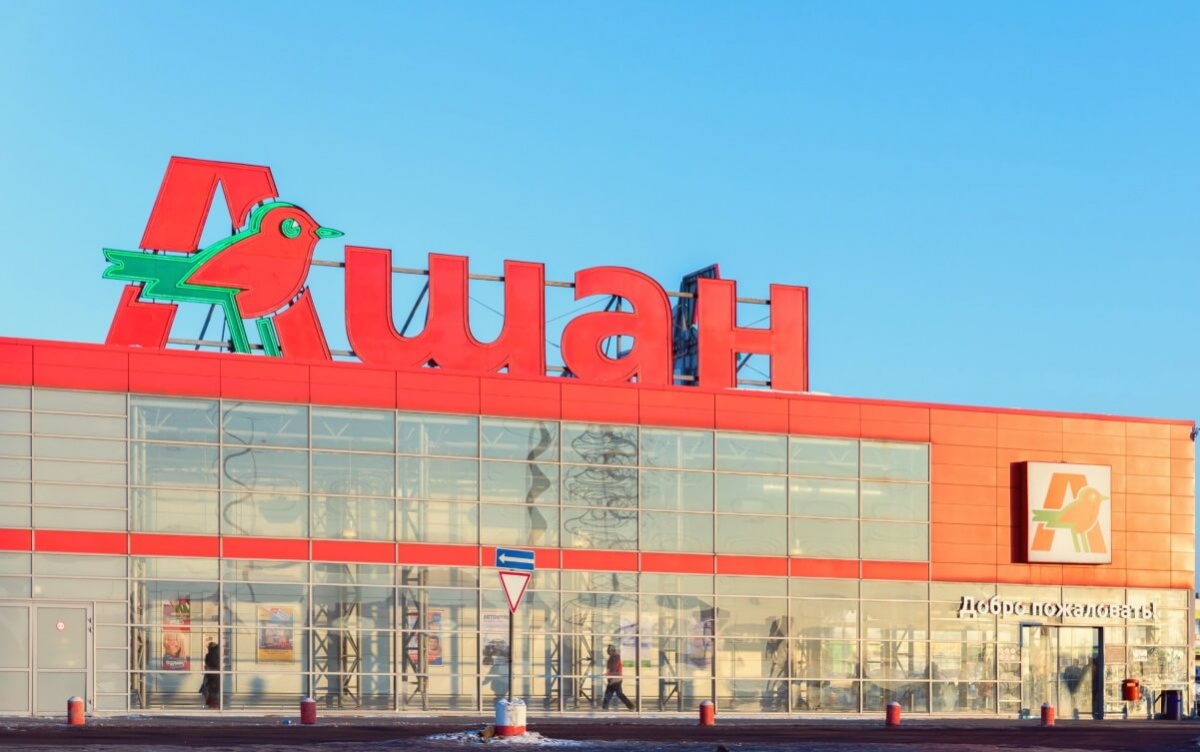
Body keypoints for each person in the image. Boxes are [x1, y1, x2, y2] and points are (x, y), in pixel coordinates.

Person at [602, 644, 634, 710]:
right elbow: (611, 668)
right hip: (613, 678)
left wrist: (610, 676)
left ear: (612, 650)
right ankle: (605, 706)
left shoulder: (615, 657)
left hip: (615, 678)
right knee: (609, 693)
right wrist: (608, 674)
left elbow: (613, 667)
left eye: (608, 650)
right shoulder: (612, 657)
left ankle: (631, 706)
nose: (607, 651)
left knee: (617, 693)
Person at [201, 641, 220, 709]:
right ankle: (214, 704)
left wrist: (208, 667)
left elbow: (213, 663)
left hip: (212, 674)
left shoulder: (210, 654)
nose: (208, 648)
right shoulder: (218, 653)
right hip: (216, 674)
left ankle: (213, 704)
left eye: (208, 647)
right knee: (214, 689)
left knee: (211, 689)